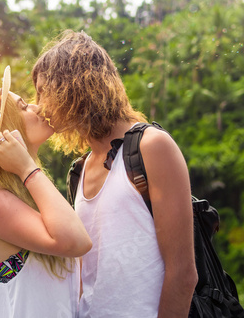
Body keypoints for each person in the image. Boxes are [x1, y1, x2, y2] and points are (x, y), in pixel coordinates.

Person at [32, 31, 198, 317]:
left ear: (74, 86)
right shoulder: (80, 169)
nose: (39, 104)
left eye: (45, 90)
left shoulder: (151, 147)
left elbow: (183, 273)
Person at [0, 66, 92, 318]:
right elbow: (77, 242)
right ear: (2, 131)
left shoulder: (28, 192)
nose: (37, 108)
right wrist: (26, 167)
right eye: (24, 107)